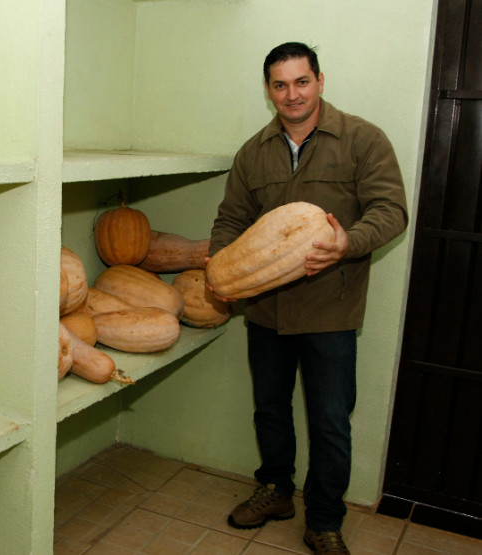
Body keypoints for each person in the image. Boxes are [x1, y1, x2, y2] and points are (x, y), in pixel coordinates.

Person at [206, 42, 409, 554]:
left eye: (301, 81)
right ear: (269, 90)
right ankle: (275, 490)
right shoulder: (254, 152)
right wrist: (219, 265)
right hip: (267, 310)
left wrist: (348, 243)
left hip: (330, 309)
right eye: (280, 84)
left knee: (330, 421)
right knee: (269, 409)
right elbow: (231, 218)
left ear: (320, 80)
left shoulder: (363, 139)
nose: (291, 94)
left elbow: (391, 211)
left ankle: (323, 520)